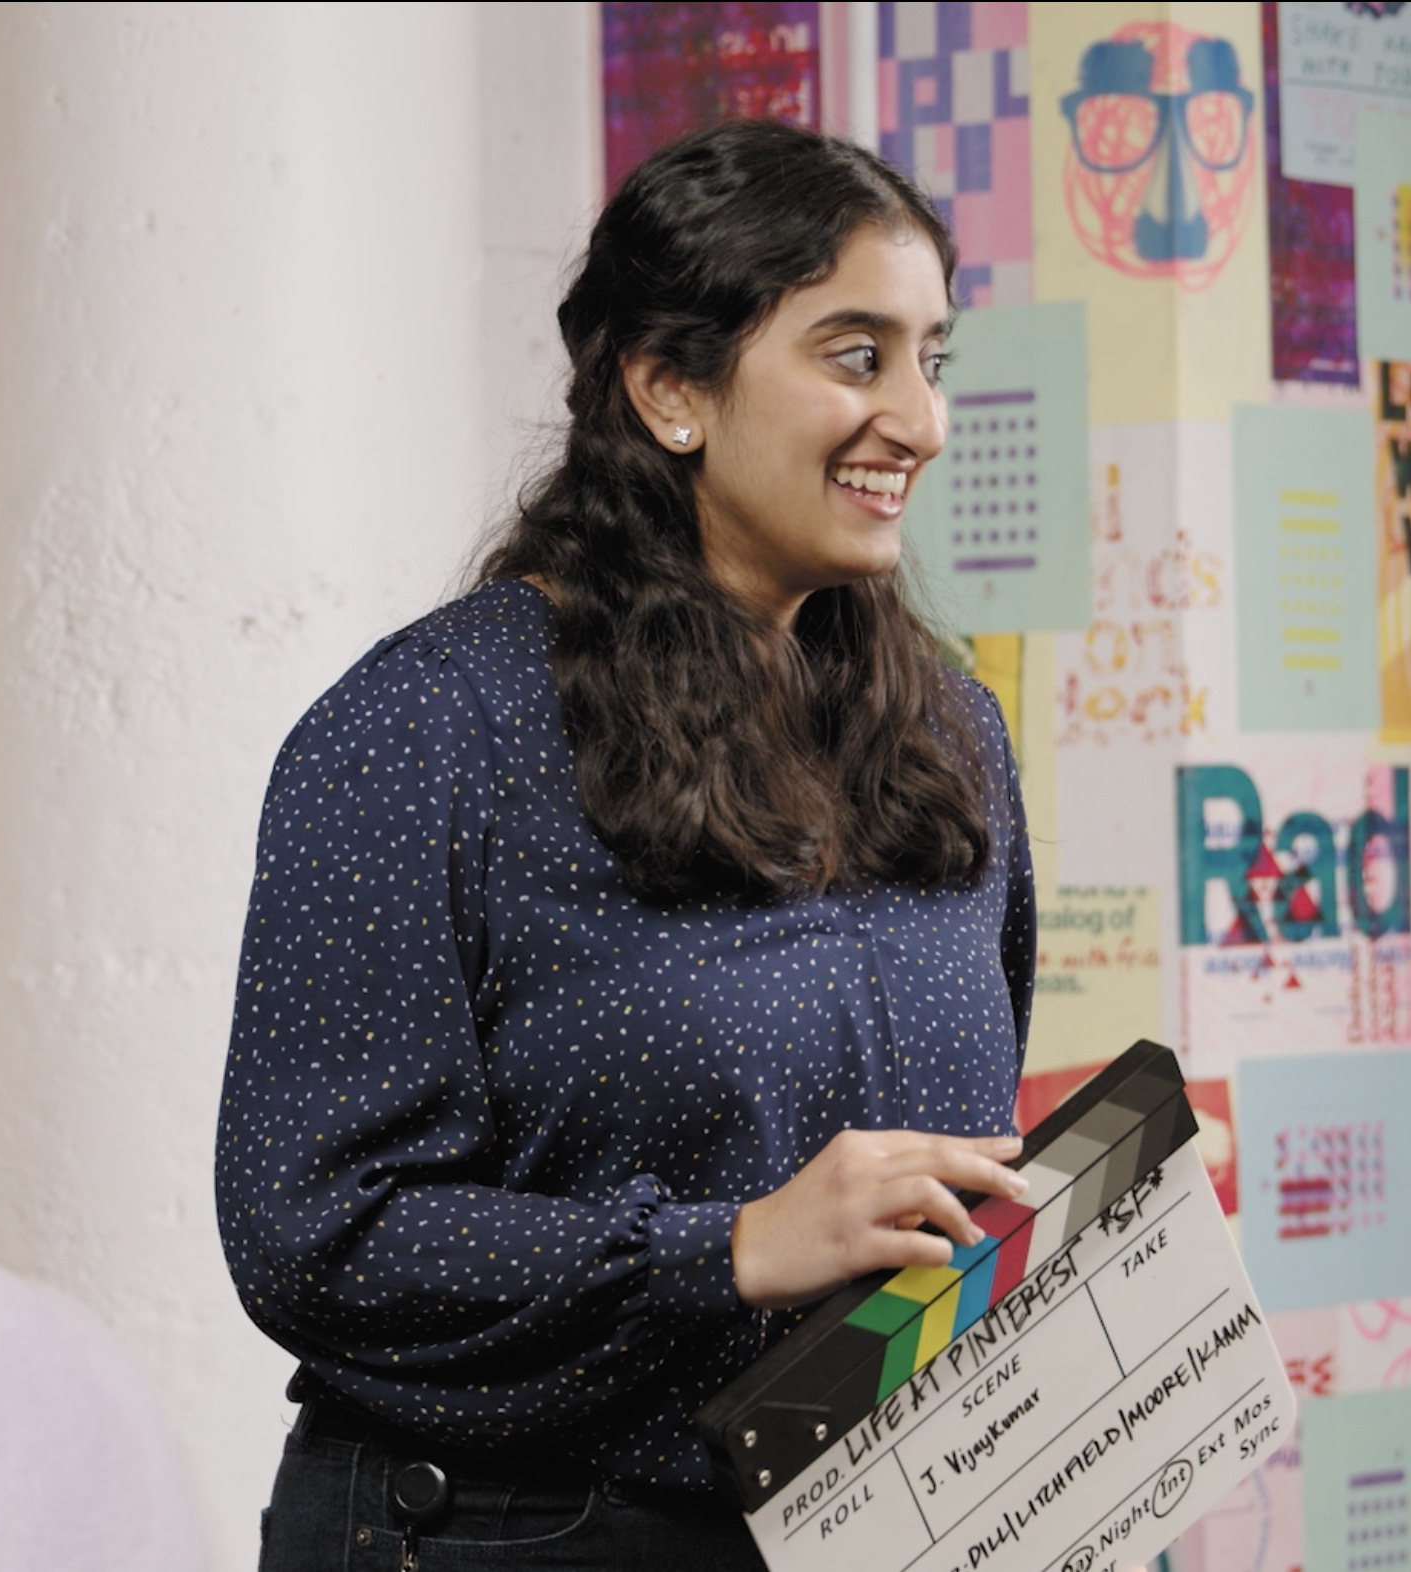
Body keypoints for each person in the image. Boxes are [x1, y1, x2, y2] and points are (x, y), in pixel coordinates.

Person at [216, 119, 1036, 1571]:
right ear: (670, 387)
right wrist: (726, 1248)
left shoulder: (949, 731)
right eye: (857, 355)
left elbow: (918, 1185)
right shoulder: (426, 731)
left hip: (863, 1526)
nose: (919, 417)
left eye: (933, 358)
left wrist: (1096, 1202)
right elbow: (315, 1229)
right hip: (505, 1530)